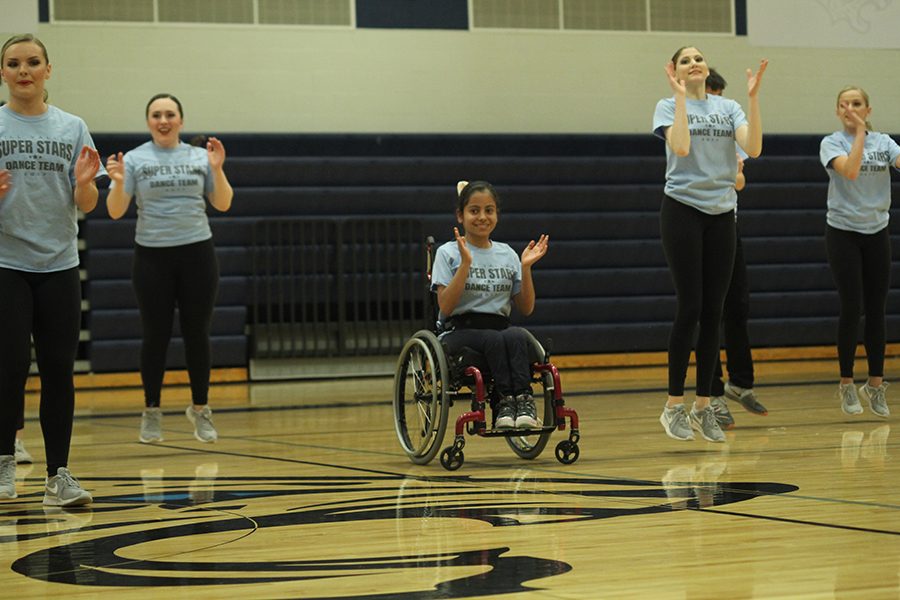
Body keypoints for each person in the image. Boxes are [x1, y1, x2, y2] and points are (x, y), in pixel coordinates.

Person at [0, 33, 103, 505]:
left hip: (59, 263)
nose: (24, 70)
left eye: (32, 62)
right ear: (3, 72)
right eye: (14, 63)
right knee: (10, 366)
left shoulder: (72, 126)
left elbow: (86, 201)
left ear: (48, 70)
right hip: (6, 263)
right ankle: (3, 463)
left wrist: (84, 185)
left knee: (59, 369)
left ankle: (58, 475)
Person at [652, 46, 767, 442]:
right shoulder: (667, 106)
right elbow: (681, 147)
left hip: (722, 214)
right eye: (686, 60)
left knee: (715, 311)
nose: (695, 63)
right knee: (691, 307)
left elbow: (752, 148)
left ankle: (704, 405)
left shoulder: (730, 107)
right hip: (682, 210)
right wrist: (682, 98)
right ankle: (673, 406)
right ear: (676, 72)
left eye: (699, 58)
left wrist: (752, 99)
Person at [105, 93, 234, 443]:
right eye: (156, 114)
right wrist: (117, 182)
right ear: (148, 121)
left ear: (181, 120)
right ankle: (151, 410)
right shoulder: (134, 159)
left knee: (197, 333)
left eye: (170, 114)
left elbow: (222, 203)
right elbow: (116, 211)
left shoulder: (199, 157)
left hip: (197, 254)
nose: (163, 120)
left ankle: (201, 408)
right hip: (152, 257)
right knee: (156, 335)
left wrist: (218, 170)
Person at [431, 181, 548, 429]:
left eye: (489, 210)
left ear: (496, 214)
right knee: (495, 339)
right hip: (459, 331)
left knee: (516, 335)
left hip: (499, 329)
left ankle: (524, 401)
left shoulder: (507, 254)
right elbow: (446, 306)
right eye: (474, 211)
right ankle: (504, 402)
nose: (482, 217)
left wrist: (525, 268)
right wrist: (465, 265)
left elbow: (526, 308)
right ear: (460, 216)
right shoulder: (448, 252)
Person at [820, 86, 900, 418]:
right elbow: (851, 170)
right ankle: (847, 383)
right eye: (844, 105)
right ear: (838, 112)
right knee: (852, 307)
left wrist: (872, 137)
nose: (850, 109)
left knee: (877, 309)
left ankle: (876, 384)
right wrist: (861, 135)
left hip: (876, 231)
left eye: (856, 104)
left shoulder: (885, 142)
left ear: (868, 109)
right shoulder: (831, 143)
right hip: (843, 233)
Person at [704, 69, 769, 430]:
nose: (715, 98)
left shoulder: (731, 127)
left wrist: (729, 172)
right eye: (711, 91)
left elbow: (740, 179)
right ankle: (710, 391)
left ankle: (739, 383)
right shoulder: (685, 124)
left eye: (718, 92)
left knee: (738, 305)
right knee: (707, 311)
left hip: (728, 222)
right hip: (698, 225)